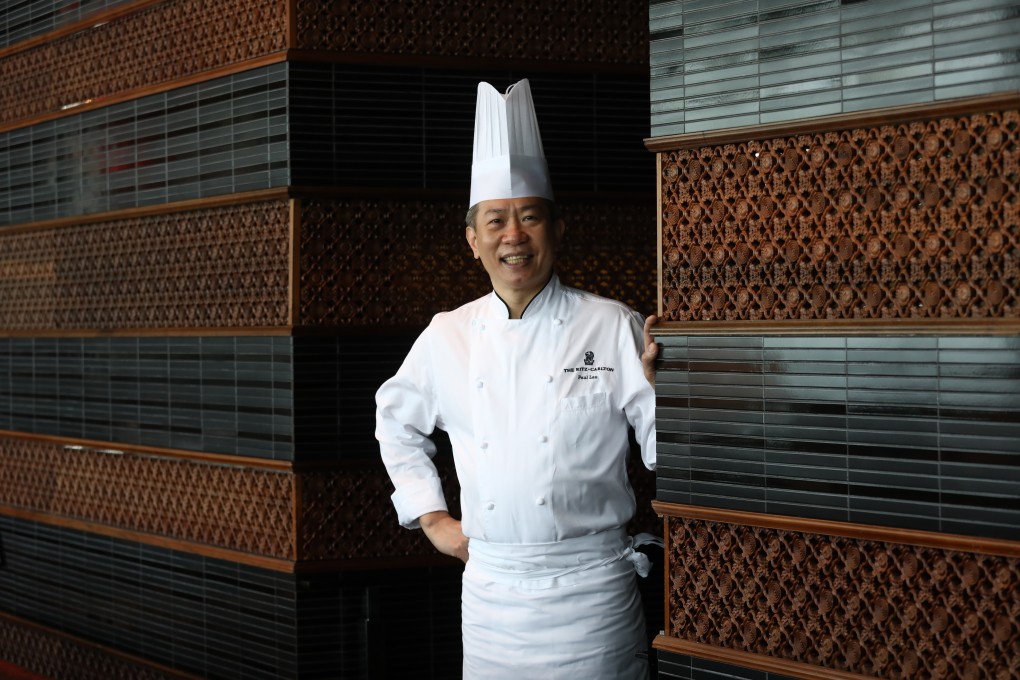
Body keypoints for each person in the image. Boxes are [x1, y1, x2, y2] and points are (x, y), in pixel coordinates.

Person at [375, 78, 659, 679]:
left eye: (530, 217)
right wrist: (432, 519)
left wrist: (671, 393)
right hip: (491, 596)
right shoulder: (446, 333)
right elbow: (395, 421)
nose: (514, 235)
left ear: (557, 230)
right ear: (473, 240)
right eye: (497, 220)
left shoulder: (611, 324)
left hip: (593, 591)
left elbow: (667, 456)